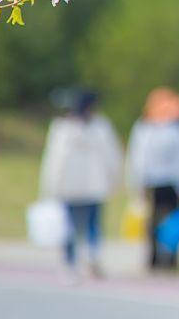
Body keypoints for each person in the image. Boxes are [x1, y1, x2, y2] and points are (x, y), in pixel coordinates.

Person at [39, 89, 122, 280]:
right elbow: (112, 157)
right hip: (95, 183)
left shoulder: (62, 129)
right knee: (92, 223)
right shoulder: (101, 128)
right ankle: (92, 253)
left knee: (68, 226)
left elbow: (54, 161)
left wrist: (49, 186)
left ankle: (70, 263)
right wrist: (114, 180)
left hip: (69, 185)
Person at [127, 87, 179, 272]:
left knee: (166, 222)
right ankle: (160, 258)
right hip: (159, 182)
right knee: (159, 222)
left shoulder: (161, 130)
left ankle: (165, 259)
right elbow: (138, 159)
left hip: (165, 182)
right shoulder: (149, 129)